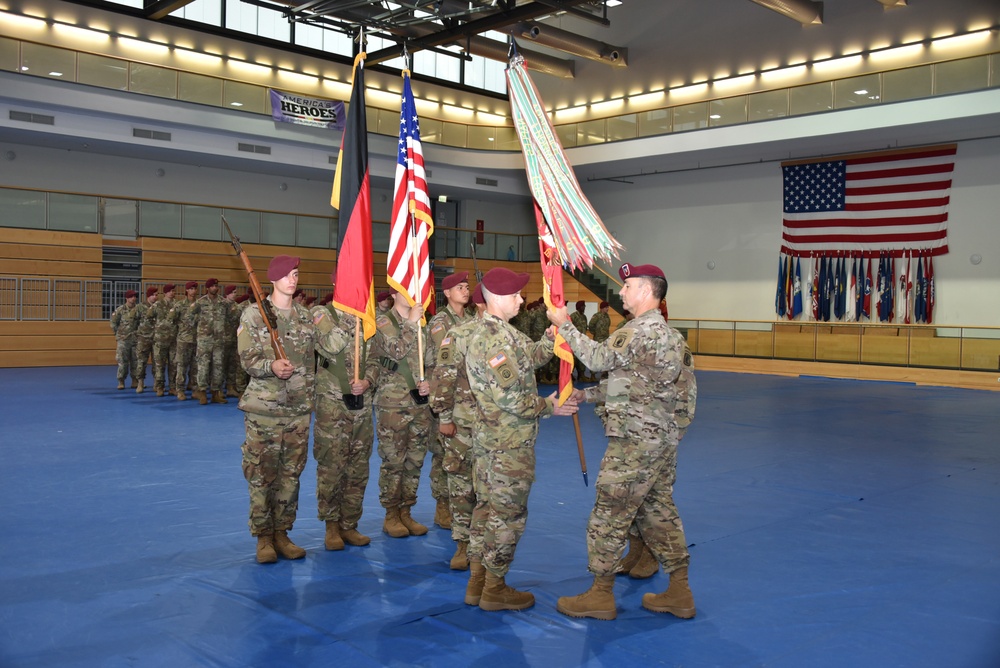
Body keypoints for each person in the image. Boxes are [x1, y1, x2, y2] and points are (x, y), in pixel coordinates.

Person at [548, 262, 695, 621]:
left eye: (628, 285)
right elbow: (639, 384)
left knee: (609, 513)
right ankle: (680, 590)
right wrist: (588, 396)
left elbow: (599, 359)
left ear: (646, 291)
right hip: (659, 441)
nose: (622, 292)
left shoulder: (635, 332)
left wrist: (563, 323)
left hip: (632, 443)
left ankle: (600, 594)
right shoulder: (672, 336)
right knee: (659, 511)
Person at [464, 267, 578, 611]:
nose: (520, 299)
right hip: (507, 446)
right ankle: (494, 588)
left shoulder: (501, 334)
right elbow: (510, 397)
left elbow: (530, 357)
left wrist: (551, 336)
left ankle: (478, 582)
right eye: (515, 294)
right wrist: (549, 405)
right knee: (507, 516)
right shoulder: (495, 341)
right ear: (497, 298)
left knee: (486, 510)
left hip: (491, 442)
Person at [238, 255, 320, 564]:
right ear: (273, 279)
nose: (293, 279)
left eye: (297, 274)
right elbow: (247, 359)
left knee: (291, 476)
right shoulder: (254, 315)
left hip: (298, 410)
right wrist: (270, 365)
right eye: (287, 274)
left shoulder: (304, 316)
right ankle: (263, 538)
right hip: (264, 410)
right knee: (262, 475)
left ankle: (283, 532)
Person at [311, 290, 380, 551]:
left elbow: (374, 358)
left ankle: (349, 524)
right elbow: (331, 345)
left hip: (361, 406)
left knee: (358, 467)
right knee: (332, 466)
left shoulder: (369, 319)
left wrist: (368, 380)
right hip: (332, 405)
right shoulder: (321, 314)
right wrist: (352, 319)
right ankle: (331, 526)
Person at [370, 290, 432, 538]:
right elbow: (395, 350)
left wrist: (432, 383)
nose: (413, 294)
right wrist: (411, 323)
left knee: (415, 461)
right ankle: (391, 514)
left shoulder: (422, 325)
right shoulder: (383, 322)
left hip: (419, 403)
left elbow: (430, 360)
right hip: (393, 402)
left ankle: (407, 510)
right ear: (394, 293)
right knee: (394, 461)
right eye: (405, 289)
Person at [424, 271, 474, 531]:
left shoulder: (472, 318)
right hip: (446, 396)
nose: (465, 291)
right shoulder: (441, 322)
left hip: (469, 397)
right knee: (443, 452)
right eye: (460, 287)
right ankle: (442, 505)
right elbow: (453, 354)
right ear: (447, 293)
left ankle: (463, 504)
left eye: (467, 287)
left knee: (466, 453)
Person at [193, 278, 228, 404]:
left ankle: (215, 393)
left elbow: (228, 318)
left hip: (219, 340)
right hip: (204, 340)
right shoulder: (200, 302)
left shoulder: (223, 302)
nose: (215, 288)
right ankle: (202, 392)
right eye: (212, 286)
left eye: (216, 286)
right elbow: (189, 317)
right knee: (203, 366)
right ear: (207, 288)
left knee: (218, 367)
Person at [173, 281, 199, 401]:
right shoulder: (179, 305)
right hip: (183, 340)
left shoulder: (200, 305)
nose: (194, 291)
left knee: (195, 367)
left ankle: (194, 390)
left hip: (197, 340)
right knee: (181, 366)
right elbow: (171, 321)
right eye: (191, 288)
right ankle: (180, 390)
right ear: (187, 290)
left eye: (195, 289)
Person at [110, 289, 141, 390]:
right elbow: (113, 323)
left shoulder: (139, 309)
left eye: (135, 296)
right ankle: (121, 381)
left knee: (136, 361)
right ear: (127, 298)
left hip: (135, 340)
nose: (134, 298)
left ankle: (135, 381)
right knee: (122, 361)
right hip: (123, 340)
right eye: (131, 296)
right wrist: (118, 335)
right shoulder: (120, 310)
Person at [151, 283, 178, 397]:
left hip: (173, 339)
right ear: (165, 293)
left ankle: (172, 387)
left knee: (173, 364)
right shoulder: (158, 304)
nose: (172, 293)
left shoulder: (177, 304)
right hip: (161, 339)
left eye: (173, 291)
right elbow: (148, 316)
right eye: (170, 291)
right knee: (160, 365)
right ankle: (160, 387)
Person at [134, 286, 158, 394]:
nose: (155, 297)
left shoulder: (159, 306)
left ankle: (156, 383)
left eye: (156, 295)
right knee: (141, 362)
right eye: (153, 295)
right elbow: (133, 320)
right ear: (148, 296)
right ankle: (140, 383)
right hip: (143, 338)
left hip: (156, 338)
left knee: (157, 362)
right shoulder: (140, 307)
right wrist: (137, 334)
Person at [222, 285, 242, 398]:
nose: (235, 294)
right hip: (223, 339)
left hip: (234, 339)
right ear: (228, 293)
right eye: (233, 292)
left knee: (232, 365)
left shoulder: (237, 307)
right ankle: (217, 389)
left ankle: (230, 387)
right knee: (220, 365)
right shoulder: (222, 305)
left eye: (235, 292)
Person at [570, 300, 590, 382]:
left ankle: (581, 375)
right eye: (583, 306)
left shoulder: (584, 317)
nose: (584, 307)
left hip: (582, 341)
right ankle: (570, 375)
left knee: (582, 358)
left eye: (584, 306)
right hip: (574, 341)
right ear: (579, 307)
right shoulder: (573, 316)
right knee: (573, 359)